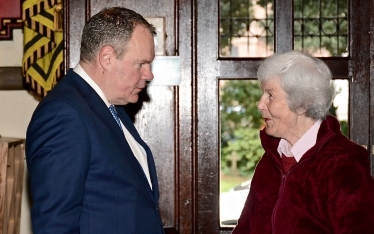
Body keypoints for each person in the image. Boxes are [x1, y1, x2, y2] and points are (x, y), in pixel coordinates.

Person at [25, 7, 165, 233]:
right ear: (107, 57)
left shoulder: (111, 107)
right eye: (141, 64)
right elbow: (55, 224)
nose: (149, 75)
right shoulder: (64, 114)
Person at [232, 50, 374, 233]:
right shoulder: (270, 161)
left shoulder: (343, 167)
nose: (260, 104)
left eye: (270, 95)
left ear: (302, 104)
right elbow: (245, 228)